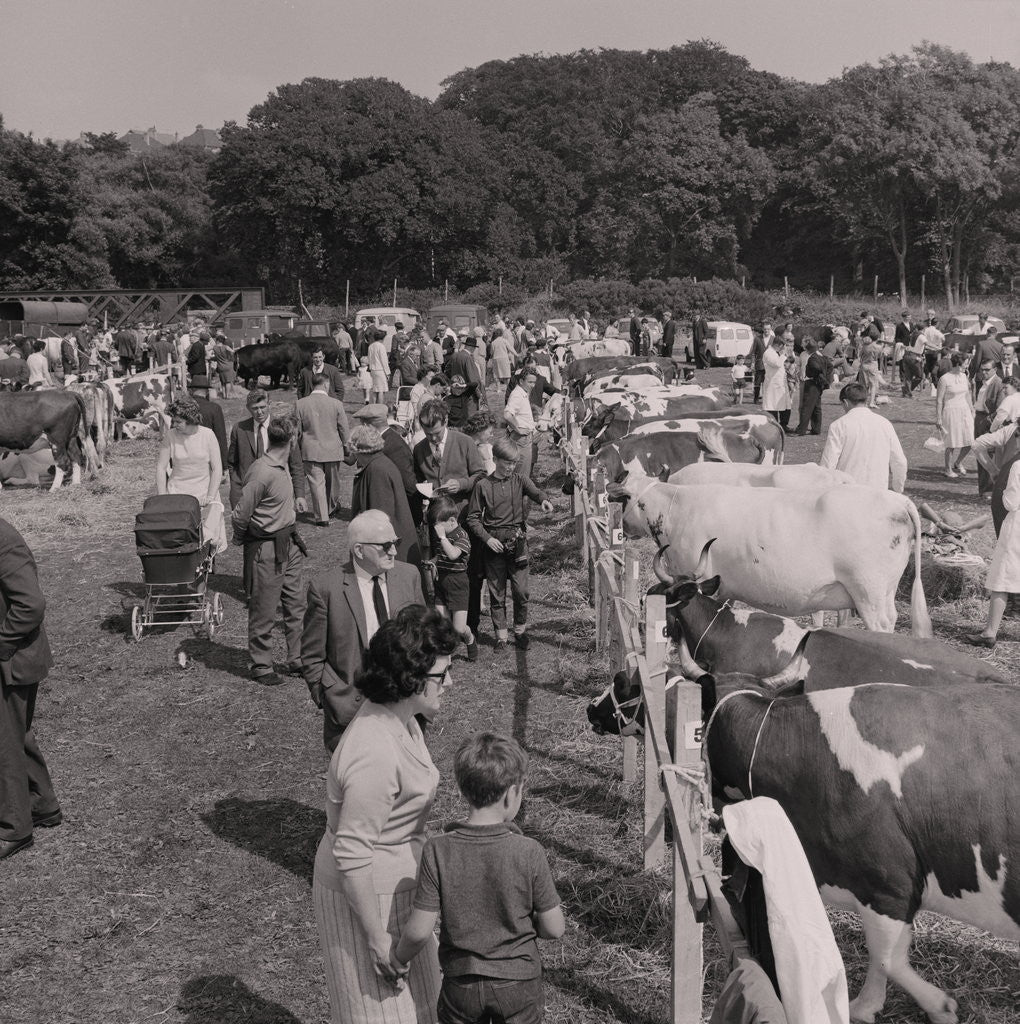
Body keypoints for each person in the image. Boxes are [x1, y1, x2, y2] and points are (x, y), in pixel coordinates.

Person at [313, 606, 456, 1024]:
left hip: (397, 889)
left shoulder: (403, 718)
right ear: (410, 679)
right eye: (441, 676)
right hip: (367, 901)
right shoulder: (373, 750)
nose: (449, 684)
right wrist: (376, 940)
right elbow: (353, 852)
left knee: (419, 1008)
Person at [393, 733, 564, 1018]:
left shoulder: (437, 849)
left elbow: (420, 930)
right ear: (512, 793)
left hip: (461, 984)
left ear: (462, 790)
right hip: (519, 983)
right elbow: (554, 928)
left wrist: (398, 959)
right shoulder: (528, 851)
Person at [302, 510, 427, 751]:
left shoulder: (408, 576)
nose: (393, 551)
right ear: (359, 550)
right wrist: (327, 696)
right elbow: (312, 654)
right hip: (351, 712)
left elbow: (424, 636)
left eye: (396, 543)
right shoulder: (326, 589)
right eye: (386, 545)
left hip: (405, 706)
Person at [0, 517, 61, 860]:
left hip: (13, 659)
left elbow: (31, 604)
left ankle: (14, 829)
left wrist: (2, 643)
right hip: (14, 655)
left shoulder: (4, 540)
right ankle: (42, 805)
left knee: (3, 741)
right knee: (16, 732)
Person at [231, 415, 307, 683]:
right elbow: (240, 514)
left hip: (289, 545)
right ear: (292, 440)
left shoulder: (281, 464)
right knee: (264, 608)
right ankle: (262, 665)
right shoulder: (262, 471)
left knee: (296, 605)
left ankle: (296, 658)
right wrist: (242, 540)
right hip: (268, 549)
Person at [467, 437, 554, 650]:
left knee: (521, 591)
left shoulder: (520, 480)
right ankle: (501, 636)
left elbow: (536, 492)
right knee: (496, 592)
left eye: (514, 463)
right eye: (507, 463)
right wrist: (488, 539)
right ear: (496, 459)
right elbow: (473, 518)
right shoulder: (483, 486)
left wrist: (544, 499)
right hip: (494, 543)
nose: (511, 467)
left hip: (517, 543)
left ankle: (520, 631)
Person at [154, 397, 227, 554]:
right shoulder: (171, 436)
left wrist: (210, 496)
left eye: (179, 421)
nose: (174, 425)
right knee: (179, 540)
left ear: (191, 419)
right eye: (173, 420)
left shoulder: (208, 435)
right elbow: (161, 468)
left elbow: (216, 469)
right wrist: (162, 497)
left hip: (204, 494)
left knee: (206, 540)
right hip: (178, 494)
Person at [964, 456, 1020, 649]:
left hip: (1017, 528)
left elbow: (1011, 503)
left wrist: (1004, 492)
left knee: (1002, 578)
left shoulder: (1018, 466)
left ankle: (990, 632)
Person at [349, 426, 420, 566]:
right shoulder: (380, 463)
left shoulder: (376, 470)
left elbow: (380, 516)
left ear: (360, 451)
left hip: (390, 549)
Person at [227, 389, 307, 511]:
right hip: (246, 494)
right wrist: (236, 489)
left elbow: (296, 465)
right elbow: (232, 463)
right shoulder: (239, 429)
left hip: (276, 494)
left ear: (269, 404)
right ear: (248, 408)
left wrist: (299, 495)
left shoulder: (283, 427)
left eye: (262, 407)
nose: (259, 412)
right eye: (255, 408)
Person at [820, 382, 907, 491]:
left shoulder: (839, 425)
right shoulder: (885, 424)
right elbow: (900, 461)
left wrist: (823, 489)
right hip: (878, 491)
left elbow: (828, 463)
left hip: (848, 491)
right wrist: (898, 488)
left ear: (845, 402)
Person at [354, 404, 422, 526]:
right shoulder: (385, 439)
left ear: (366, 425)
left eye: (361, 424)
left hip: (395, 514)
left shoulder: (394, 445)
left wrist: (411, 517)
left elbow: (408, 484)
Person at [413, 400, 486, 515]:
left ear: (445, 421)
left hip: (464, 513)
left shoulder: (465, 442)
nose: (433, 438)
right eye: (428, 434)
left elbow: (481, 475)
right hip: (436, 515)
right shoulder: (419, 449)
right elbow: (419, 480)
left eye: (437, 433)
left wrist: (461, 484)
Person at [296, 374, 350, 527]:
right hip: (333, 449)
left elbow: (297, 431)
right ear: (326, 384)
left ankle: (322, 517)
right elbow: (343, 428)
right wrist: (347, 446)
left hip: (311, 449)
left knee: (316, 483)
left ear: (313, 385)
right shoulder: (336, 404)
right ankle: (331, 508)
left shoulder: (300, 404)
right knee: (333, 482)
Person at [428, 496, 477, 661]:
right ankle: (445, 660)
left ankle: (470, 639)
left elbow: (453, 554)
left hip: (458, 583)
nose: (436, 530)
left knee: (458, 628)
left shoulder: (462, 536)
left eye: (438, 525)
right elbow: (441, 556)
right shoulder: (443, 534)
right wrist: (433, 562)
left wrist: (442, 538)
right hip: (441, 581)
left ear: (450, 521)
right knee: (442, 624)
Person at [936, 352, 974, 479]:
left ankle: (958, 462)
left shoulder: (964, 376)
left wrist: (972, 408)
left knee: (970, 440)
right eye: (966, 362)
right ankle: (948, 469)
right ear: (958, 363)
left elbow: (967, 394)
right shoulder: (944, 378)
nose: (967, 365)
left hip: (965, 411)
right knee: (951, 442)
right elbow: (939, 400)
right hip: (951, 412)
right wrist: (939, 418)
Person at [503, 367, 538, 481]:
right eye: (530, 382)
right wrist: (518, 429)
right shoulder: (517, 394)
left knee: (521, 474)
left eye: (534, 382)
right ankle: (519, 497)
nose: (532, 385)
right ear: (521, 381)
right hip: (521, 439)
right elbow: (508, 415)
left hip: (523, 438)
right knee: (521, 476)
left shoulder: (522, 393)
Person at [793, 340, 828, 435]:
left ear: (809, 349)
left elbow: (816, 368)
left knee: (807, 407)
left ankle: (801, 430)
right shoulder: (821, 356)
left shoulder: (812, 358)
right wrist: (824, 376)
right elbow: (830, 366)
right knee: (816, 407)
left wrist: (814, 375)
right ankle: (816, 429)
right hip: (819, 384)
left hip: (812, 382)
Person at [761, 335, 790, 429]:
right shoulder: (768, 353)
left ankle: (783, 425)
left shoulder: (775, 352)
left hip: (780, 383)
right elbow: (777, 364)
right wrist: (783, 354)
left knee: (784, 405)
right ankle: (774, 426)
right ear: (779, 345)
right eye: (783, 346)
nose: (783, 348)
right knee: (772, 405)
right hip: (773, 384)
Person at [368, 329, 390, 404]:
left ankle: (373, 406)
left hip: (373, 369)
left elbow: (369, 358)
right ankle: (380, 407)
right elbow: (384, 361)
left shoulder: (371, 346)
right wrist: (387, 373)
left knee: (375, 390)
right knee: (381, 390)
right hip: (380, 370)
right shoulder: (381, 346)